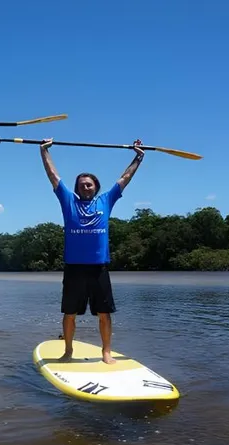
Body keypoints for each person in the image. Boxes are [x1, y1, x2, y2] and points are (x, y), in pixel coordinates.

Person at [39, 137, 145, 364]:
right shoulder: (69, 201)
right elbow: (53, 176)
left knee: (104, 314)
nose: (85, 187)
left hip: (99, 268)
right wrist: (45, 152)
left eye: (89, 184)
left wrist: (138, 157)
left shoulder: (106, 200)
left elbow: (125, 178)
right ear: (76, 189)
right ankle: (68, 350)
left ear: (96, 186)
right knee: (69, 313)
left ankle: (106, 352)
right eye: (81, 185)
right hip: (74, 268)